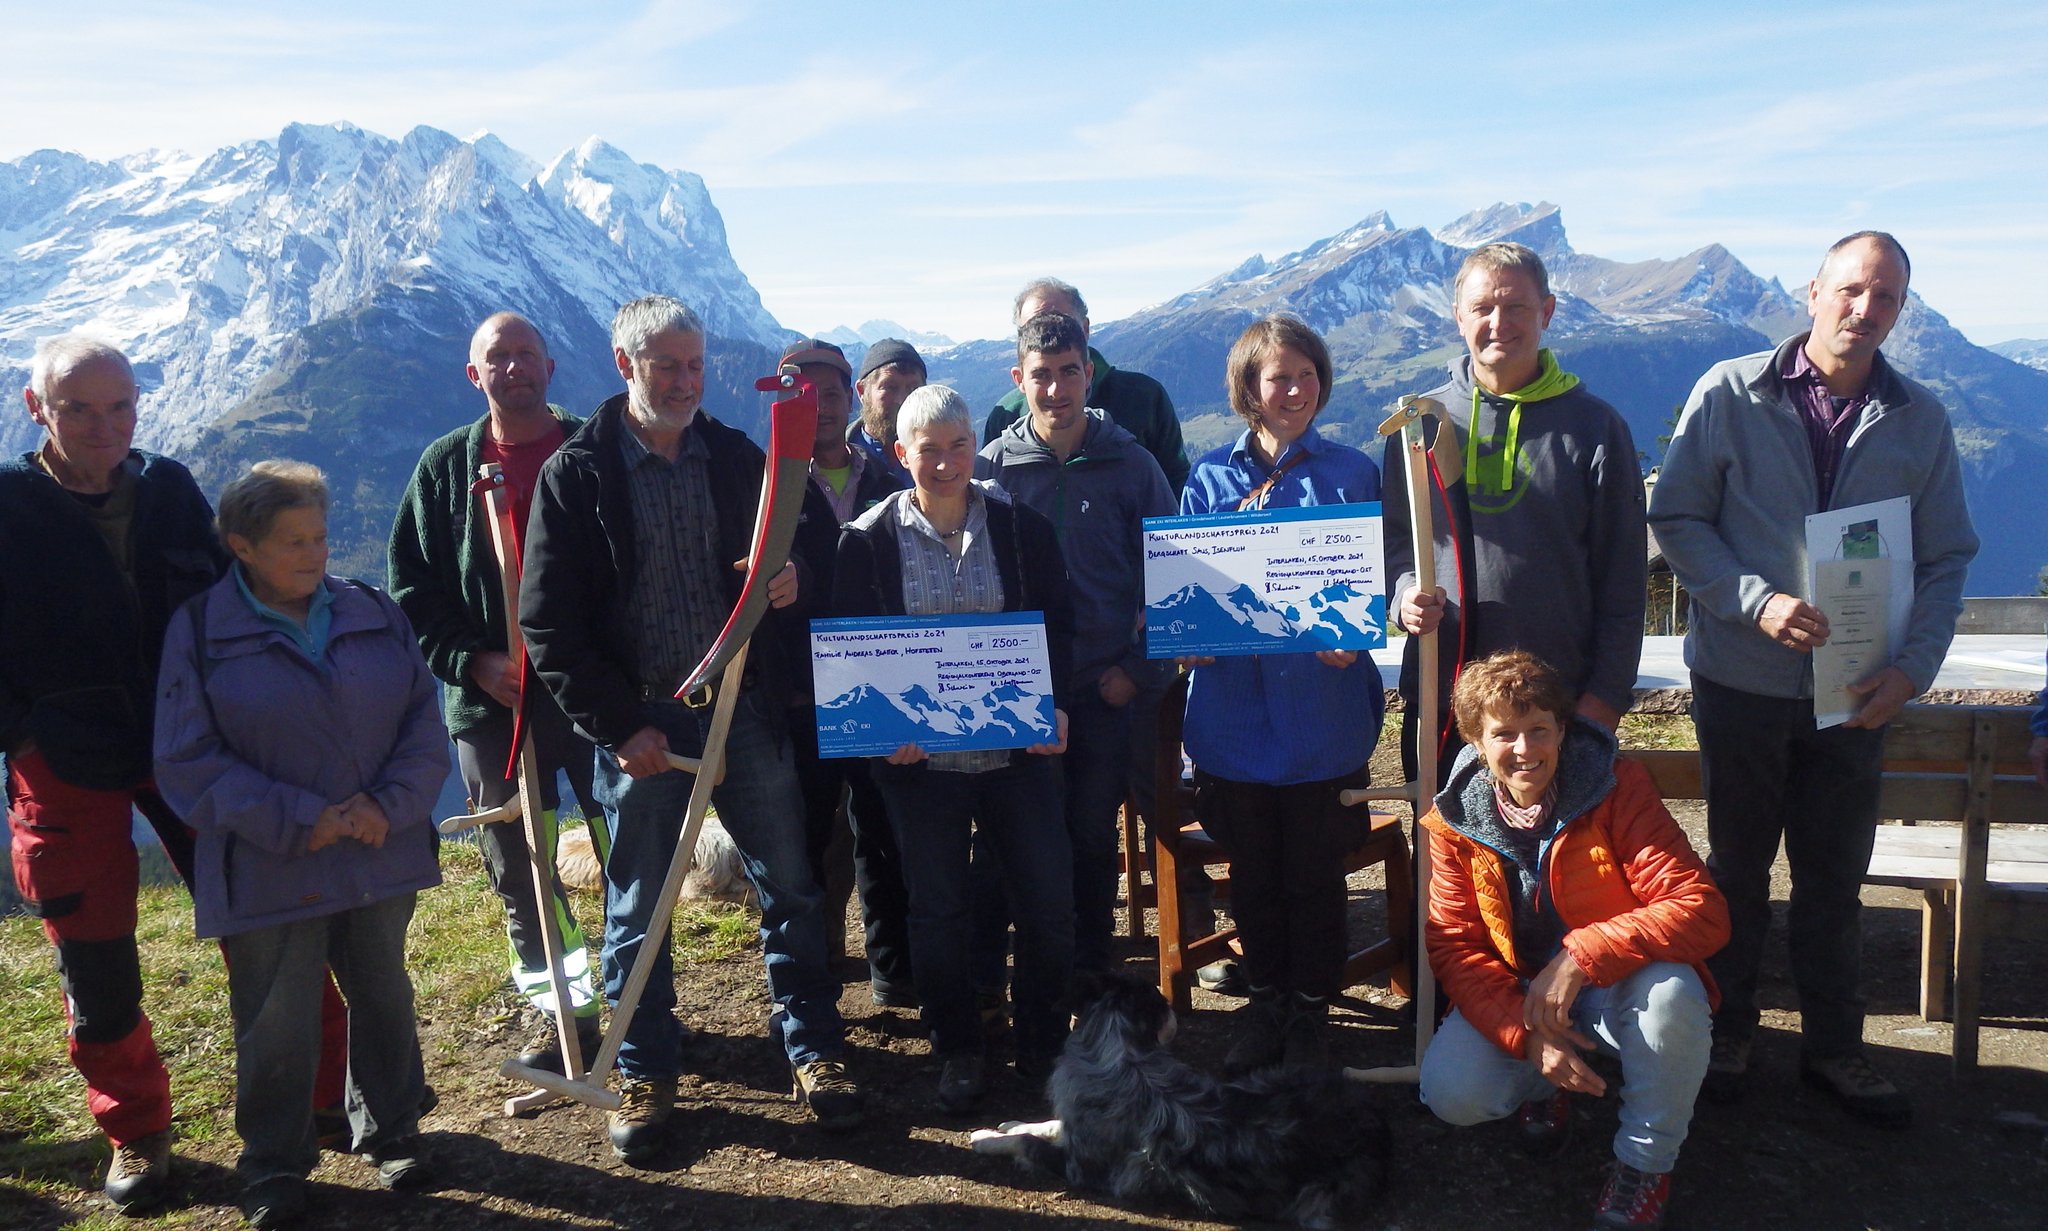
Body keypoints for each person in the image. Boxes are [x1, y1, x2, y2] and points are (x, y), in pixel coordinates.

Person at [1649, 231, 1978, 1129]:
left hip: (1859, 689)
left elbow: (1948, 554)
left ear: (1899, 311)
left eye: (1886, 299)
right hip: (1741, 679)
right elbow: (1674, 514)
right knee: (1737, 868)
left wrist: (1913, 669)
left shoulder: (1921, 417)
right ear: (1813, 293)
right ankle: (1729, 1032)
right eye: (1852, 291)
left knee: (1838, 876)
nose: (1865, 310)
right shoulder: (1729, 391)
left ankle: (1836, 1049)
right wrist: (1751, 601)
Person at [519, 295, 860, 1160]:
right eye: (665, 364)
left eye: (694, 365)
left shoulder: (742, 459)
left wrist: (790, 585)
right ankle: (644, 1067)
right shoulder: (580, 474)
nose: (683, 381)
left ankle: (814, 1049)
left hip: (739, 711)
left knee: (789, 883)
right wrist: (617, 725)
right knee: (638, 905)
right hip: (640, 721)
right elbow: (549, 626)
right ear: (624, 363)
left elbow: (808, 553)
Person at [154, 461, 449, 1227]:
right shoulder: (200, 633)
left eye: (319, 536)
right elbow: (187, 760)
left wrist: (394, 803)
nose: (315, 554)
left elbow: (424, 717)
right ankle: (275, 1166)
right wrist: (298, 815)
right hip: (269, 861)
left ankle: (393, 1133)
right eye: (293, 541)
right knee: (276, 1017)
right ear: (241, 545)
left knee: (384, 993)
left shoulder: (372, 611)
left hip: (379, 849)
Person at [2, 335, 226, 1212]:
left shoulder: (171, 492)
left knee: (270, 908)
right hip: (65, 761)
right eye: (78, 409)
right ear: (37, 409)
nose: (104, 427)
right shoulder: (9, 509)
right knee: (93, 959)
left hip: (187, 746)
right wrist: (23, 738)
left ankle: (317, 1099)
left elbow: (221, 605)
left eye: (120, 406)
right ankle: (135, 1130)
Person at [1418, 650, 1728, 1231]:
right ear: (1476, 743)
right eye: (1504, 734)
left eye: (1540, 730)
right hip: (1522, 994)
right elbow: (1455, 947)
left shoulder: (1616, 788)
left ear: (1563, 729)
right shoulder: (1454, 822)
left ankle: (1644, 1163)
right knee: (1452, 1092)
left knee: (1673, 998)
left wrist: (1583, 953)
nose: (1524, 750)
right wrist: (1525, 1036)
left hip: (1617, 985)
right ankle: (1544, 1080)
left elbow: (1701, 911)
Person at [833, 384, 1077, 1111]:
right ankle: (959, 1048)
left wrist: (1056, 701)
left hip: (1016, 752)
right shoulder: (867, 541)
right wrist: (883, 737)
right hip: (924, 764)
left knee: (1047, 900)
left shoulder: (1020, 526)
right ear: (898, 452)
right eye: (928, 449)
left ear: (978, 445)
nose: (945, 463)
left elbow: (1056, 621)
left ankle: (1042, 1048)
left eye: (959, 446)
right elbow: (855, 656)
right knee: (936, 909)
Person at [387, 311, 606, 1073]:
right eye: (497, 358)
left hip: (598, 695)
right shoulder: (447, 468)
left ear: (551, 363)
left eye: (526, 354)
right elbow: (411, 589)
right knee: (517, 862)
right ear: (474, 375)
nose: (514, 367)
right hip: (495, 705)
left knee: (628, 844)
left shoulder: (595, 449)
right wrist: (474, 661)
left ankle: (649, 1000)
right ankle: (564, 1013)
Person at [1177, 314, 1385, 1072]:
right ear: (1249, 390)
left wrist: (1355, 635)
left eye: (1306, 373)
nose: (1294, 388)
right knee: (1255, 878)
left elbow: (1370, 585)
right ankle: (1266, 1001)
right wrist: (1186, 631)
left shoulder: (1355, 472)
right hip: (1232, 721)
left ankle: (1310, 1012)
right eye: (1278, 377)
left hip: (1322, 721)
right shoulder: (1208, 478)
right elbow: (1190, 589)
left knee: (1315, 877)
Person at [1387, 242, 1646, 783]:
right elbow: (1393, 547)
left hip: (1555, 709)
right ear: (1459, 316)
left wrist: (1604, 700)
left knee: (1558, 864)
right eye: (1482, 308)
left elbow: (1623, 578)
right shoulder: (1418, 424)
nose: (1498, 322)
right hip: (1443, 696)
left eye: (1516, 307)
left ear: (1546, 313)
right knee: (1449, 863)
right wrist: (1404, 595)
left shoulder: (1595, 429)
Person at [976, 310, 1174, 975]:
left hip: (1101, 689)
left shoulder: (1132, 465)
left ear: (1089, 374)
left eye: (1069, 374)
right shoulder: (993, 468)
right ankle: (1035, 971)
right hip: (1017, 691)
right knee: (1024, 840)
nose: (1056, 390)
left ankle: (1089, 970)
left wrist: (1136, 671)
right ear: (1018, 379)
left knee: (1091, 838)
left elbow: (1174, 583)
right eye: (1041, 376)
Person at [777, 336, 917, 1007]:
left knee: (881, 831)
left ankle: (892, 968)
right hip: (799, 693)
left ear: (851, 398)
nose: (819, 407)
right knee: (803, 840)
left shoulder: (890, 478)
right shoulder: (764, 481)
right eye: (801, 395)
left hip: (879, 687)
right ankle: (817, 969)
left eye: (829, 393)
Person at [982, 277, 1189, 493]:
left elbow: (1177, 483)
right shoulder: (1006, 414)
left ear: (1086, 328)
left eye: (1063, 322)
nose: (1049, 333)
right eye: (1034, 327)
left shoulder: (1144, 397)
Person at [849, 338, 925, 487]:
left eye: (913, 388)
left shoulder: (942, 459)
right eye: (890, 387)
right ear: (862, 391)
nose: (902, 400)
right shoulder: (841, 458)